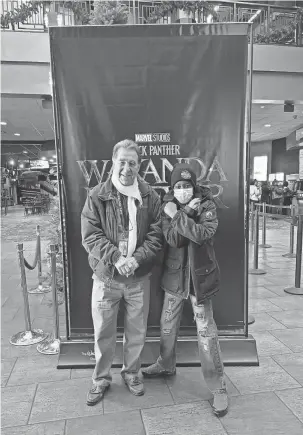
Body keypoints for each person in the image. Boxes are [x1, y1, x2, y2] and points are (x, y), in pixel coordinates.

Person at [141, 163, 228, 417]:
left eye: (186, 186)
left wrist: (178, 215)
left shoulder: (207, 205)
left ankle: (218, 387)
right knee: (167, 326)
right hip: (174, 279)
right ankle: (166, 364)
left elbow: (203, 234)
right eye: (178, 186)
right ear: (172, 188)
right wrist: (183, 215)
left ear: (194, 186)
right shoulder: (166, 206)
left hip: (200, 280)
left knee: (206, 333)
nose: (182, 190)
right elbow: (174, 240)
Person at [81, 139, 162, 406]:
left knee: (137, 332)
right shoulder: (96, 195)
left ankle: (132, 373)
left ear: (139, 166)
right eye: (122, 161)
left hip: (138, 278)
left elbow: (156, 234)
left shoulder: (150, 195)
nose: (127, 168)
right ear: (113, 162)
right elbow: (90, 236)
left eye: (133, 162)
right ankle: (101, 379)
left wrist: (136, 259)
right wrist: (117, 258)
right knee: (103, 333)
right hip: (106, 278)